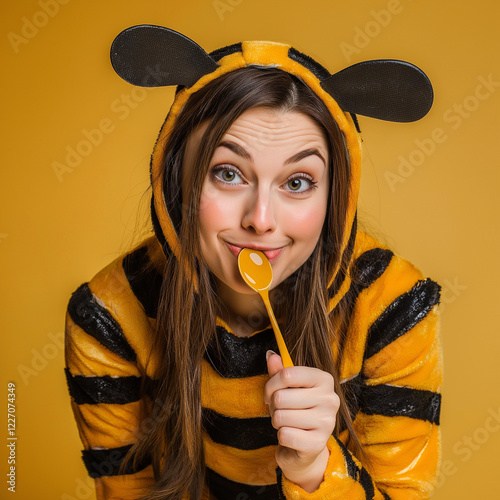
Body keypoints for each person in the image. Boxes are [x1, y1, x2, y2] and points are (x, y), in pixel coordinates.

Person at [64, 25, 443, 500]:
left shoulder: (395, 305)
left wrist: (315, 469)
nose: (261, 220)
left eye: (298, 182)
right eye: (228, 173)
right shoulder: (109, 314)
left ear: (335, 200)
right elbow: (125, 489)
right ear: (177, 183)